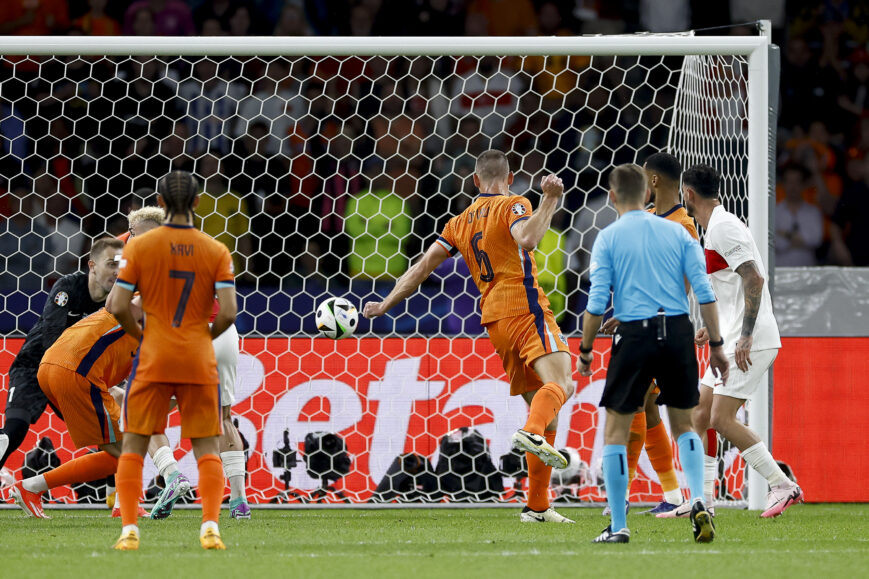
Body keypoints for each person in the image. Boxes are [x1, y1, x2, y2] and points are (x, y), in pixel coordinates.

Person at [363, 150, 575, 523]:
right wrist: (550, 200)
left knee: (546, 409)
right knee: (562, 384)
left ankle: (538, 507)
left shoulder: (457, 223)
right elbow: (527, 239)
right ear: (508, 179)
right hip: (525, 306)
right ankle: (531, 432)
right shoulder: (514, 204)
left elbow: (420, 268)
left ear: (475, 181)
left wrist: (385, 304)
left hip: (493, 320)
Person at [577, 163, 728, 544]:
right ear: (646, 192)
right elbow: (704, 292)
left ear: (612, 196)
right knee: (684, 425)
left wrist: (585, 349)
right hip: (677, 331)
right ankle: (696, 500)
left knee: (615, 428)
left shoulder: (608, 237)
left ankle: (618, 524)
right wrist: (717, 345)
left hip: (636, 332)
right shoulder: (680, 232)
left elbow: (596, 302)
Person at [107, 170, 237, 551]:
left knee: (134, 442)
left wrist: (142, 335)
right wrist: (201, 339)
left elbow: (116, 305)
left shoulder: (138, 248)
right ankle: (210, 527)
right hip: (198, 358)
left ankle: (130, 531)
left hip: (155, 356)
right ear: (198, 203)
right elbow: (227, 312)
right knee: (206, 447)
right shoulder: (216, 250)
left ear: (159, 204)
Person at [682, 164, 804, 519]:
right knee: (700, 414)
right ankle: (703, 501)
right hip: (733, 334)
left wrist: (746, 334)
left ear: (688, 194)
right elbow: (733, 285)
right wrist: (714, 328)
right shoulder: (716, 228)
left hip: (751, 338)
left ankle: (781, 483)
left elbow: (754, 280)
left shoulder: (723, 228)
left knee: (721, 418)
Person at [600, 152, 704, 517]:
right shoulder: (646, 219)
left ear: (654, 181)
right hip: (638, 325)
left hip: (660, 330)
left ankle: (626, 495)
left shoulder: (682, 224)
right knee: (646, 404)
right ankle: (673, 493)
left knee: (637, 406)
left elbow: (687, 284)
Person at [0, 238, 124, 477]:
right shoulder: (68, 287)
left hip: (75, 375)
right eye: (111, 264)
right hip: (34, 367)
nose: (117, 271)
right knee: (15, 429)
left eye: (121, 264)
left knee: (109, 435)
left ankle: (116, 495)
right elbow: (51, 337)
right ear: (92, 266)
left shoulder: (117, 304)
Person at [10, 305, 142, 518]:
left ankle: (32, 487)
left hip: (54, 366)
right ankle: (31, 487)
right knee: (130, 448)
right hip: (76, 371)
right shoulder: (148, 303)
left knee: (118, 451)